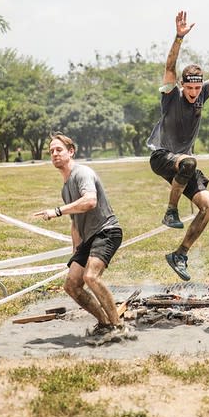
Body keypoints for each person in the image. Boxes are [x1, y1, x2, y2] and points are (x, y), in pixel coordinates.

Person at [147, 11, 209, 281]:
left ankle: (179, 254)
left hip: (185, 165)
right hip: (163, 156)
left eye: (197, 89)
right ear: (181, 85)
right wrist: (178, 37)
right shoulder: (170, 95)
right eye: (190, 89)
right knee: (189, 162)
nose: (194, 93)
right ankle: (171, 211)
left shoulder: (202, 95)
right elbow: (169, 67)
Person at [33, 134, 134, 345]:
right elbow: (75, 222)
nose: (54, 154)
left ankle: (118, 327)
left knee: (91, 277)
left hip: (107, 231)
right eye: (51, 151)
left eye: (58, 149)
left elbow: (90, 201)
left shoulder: (82, 173)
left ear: (71, 151)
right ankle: (104, 323)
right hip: (87, 238)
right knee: (71, 285)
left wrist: (57, 211)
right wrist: (76, 252)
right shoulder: (65, 187)